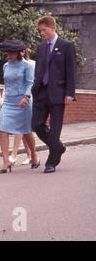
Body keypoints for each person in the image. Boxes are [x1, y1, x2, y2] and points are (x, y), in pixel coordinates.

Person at [32, 16, 76, 173]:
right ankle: (58, 147)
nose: (42, 33)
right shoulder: (41, 47)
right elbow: (39, 69)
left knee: (55, 128)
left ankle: (51, 161)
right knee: (36, 125)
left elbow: (71, 71)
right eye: (40, 31)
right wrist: (34, 88)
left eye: (44, 30)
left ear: (52, 28)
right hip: (41, 92)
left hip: (58, 93)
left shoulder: (66, 46)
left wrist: (70, 93)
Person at [0, 40, 40, 174]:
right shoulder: (5, 66)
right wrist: (2, 100)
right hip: (9, 101)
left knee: (26, 131)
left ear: (18, 53)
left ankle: (34, 155)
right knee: (3, 129)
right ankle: (6, 161)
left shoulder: (27, 66)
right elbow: (6, 84)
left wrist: (26, 97)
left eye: (12, 53)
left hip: (23, 100)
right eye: (8, 53)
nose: (9, 55)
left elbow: (30, 83)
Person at [10, 48, 35, 165]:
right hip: (13, 98)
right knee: (23, 129)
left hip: (26, 98)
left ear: (24, 52)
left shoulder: (31, 64)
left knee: (22, 128)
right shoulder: (9, 65)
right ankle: (30, 155)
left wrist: (26, 97)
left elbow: (31, 82)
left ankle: (14, 154)